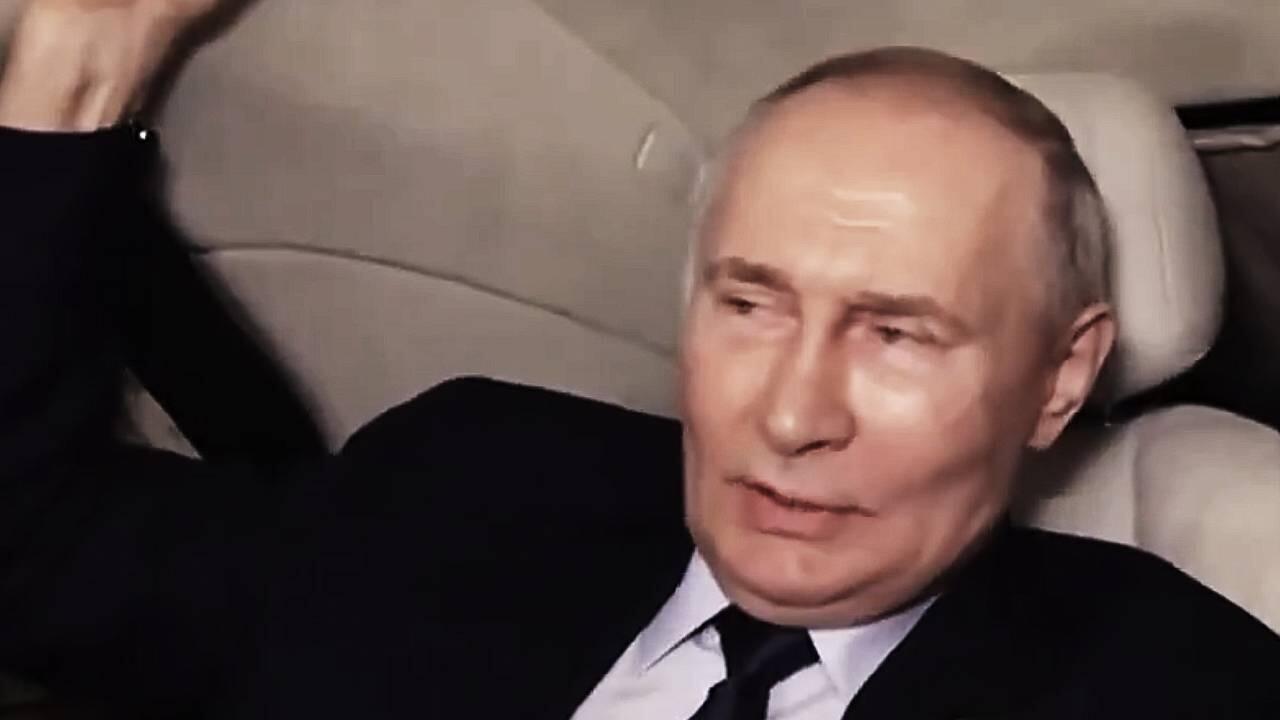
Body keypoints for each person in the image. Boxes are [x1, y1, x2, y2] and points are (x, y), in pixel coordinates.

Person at [0, 0, 1276, 718]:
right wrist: (69, 66)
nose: (789, 415)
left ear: (1058, 378)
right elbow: (35, 546)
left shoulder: (1180, 688)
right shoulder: (474, 485)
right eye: (749, 304)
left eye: (895, 333)